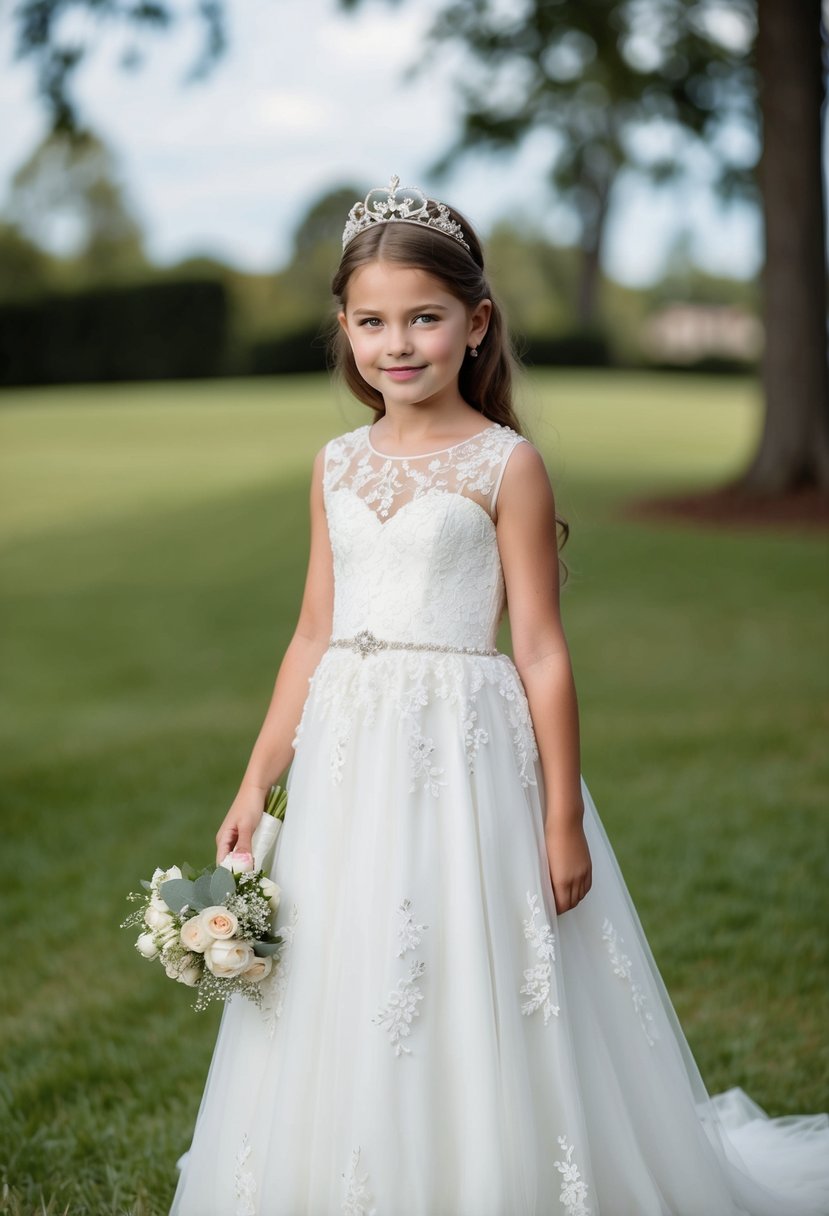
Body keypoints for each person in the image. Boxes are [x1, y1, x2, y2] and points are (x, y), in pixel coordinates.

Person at [169, 176, 829, 1216]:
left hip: (464, 753)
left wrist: (561, 815)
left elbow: (541, 651)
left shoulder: (504, 464)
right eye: (373, 321)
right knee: (347, 959)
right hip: (349, 749)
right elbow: (310, 633)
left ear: (475, 324)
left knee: (461, 953)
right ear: (342, 329)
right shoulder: (334, 465)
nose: (399, 344)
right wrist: (258, 780)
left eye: (424, 319)